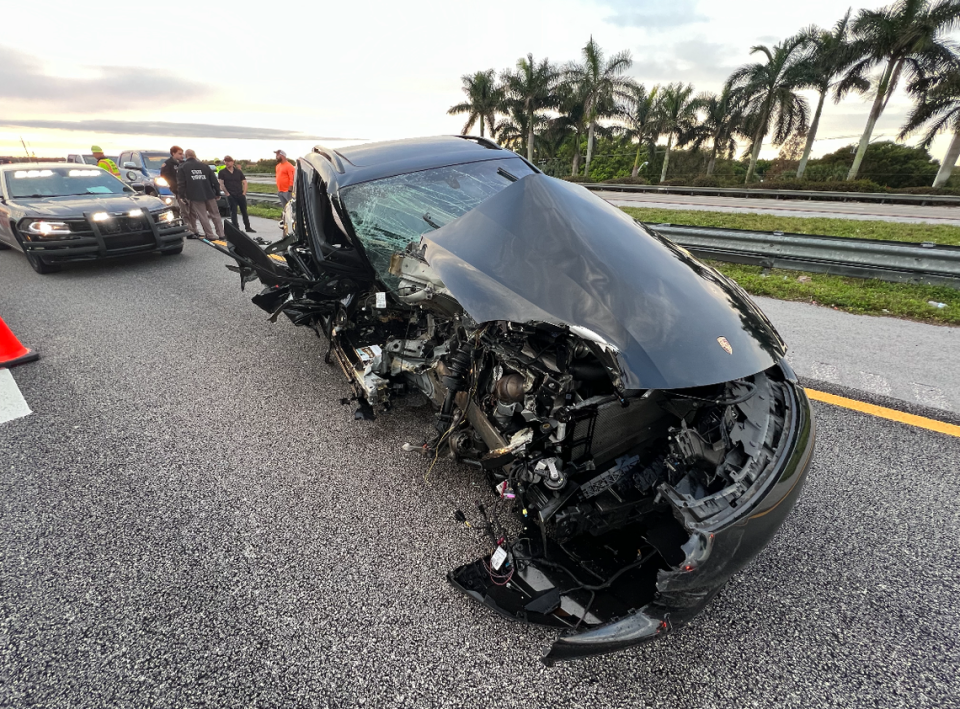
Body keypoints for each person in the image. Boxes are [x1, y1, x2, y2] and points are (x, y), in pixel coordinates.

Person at [176, 149, 225, 240]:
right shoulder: (204, 166)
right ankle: (221, 234)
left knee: (203, 216)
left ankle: (210, 235)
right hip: (209, 193)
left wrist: (182, 196)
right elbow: (214, 180)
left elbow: (181, 183)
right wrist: (217, 192)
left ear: (186, 156)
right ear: (195, 155)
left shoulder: (183, 167)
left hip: (195, 195)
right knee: (215, 214)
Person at [160, 145, 199, 237]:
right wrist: (175, 186)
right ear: (173, 153)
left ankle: (194, 229)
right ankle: (189, 230)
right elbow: (165, 176)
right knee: (184, 211)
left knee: (192, 210)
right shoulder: (168, 164)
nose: (182, 155)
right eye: (180, 154)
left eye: (183, 154)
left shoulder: (184, 163)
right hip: (178, 190)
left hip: (189, 189)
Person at [218, 155, 255, 233]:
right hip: (231, 194)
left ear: (232, 162)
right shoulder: (222, 172)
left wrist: (244, 193)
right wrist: (227, 193)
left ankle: (247, 227)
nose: (227, 163)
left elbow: (244, 182)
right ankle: (236, 228)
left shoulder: (238, 172)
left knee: (244, 211)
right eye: (225, 161)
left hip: (240, 194)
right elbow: (221, 184)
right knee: (233, 212)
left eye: (228, 161)